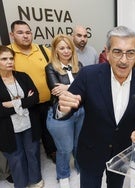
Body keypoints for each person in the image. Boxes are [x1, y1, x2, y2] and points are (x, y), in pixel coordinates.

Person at [57, 26, 135, 188]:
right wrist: (62, 109)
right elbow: (68, 106)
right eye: (117, 52)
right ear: (107, 53)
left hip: (122, 153)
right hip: (91, 151)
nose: (124, 60)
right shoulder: (88, 75)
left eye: (130, 53)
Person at [8, 20, 57, 163]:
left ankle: (52, 152)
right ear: (12, 35)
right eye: (20, 32)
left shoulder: (43, 50)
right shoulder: (8, 53)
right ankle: (32, 163)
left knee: (49, 129)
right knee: (31, 135)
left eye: (28, 32)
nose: (25, 36)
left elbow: (55, 70)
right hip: (26, 103)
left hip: (48, 100)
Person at [0, 46, 43, 188]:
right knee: (15, 157)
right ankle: (21, 184)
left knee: (32, 152)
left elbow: (35, 98)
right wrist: (24, 103)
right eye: (4, 59)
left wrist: (12, 104)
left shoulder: (23, 76)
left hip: (29, 123)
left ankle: (36, 180)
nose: (9, 62)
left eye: (11, 58)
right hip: (8, 128)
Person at [45, 35, 85, 188]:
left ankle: (81, 167)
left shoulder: (79, 65)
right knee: (65, 148)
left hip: (80, 110)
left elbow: (85, 88)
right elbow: (56, 91)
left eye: (69, 47)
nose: (66, 51)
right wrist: (76, 86)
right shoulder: (50, 67)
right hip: (61, 114)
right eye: (62, 48)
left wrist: (67, 87)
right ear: (55, 50)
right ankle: (63, 175)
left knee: (79, 143)